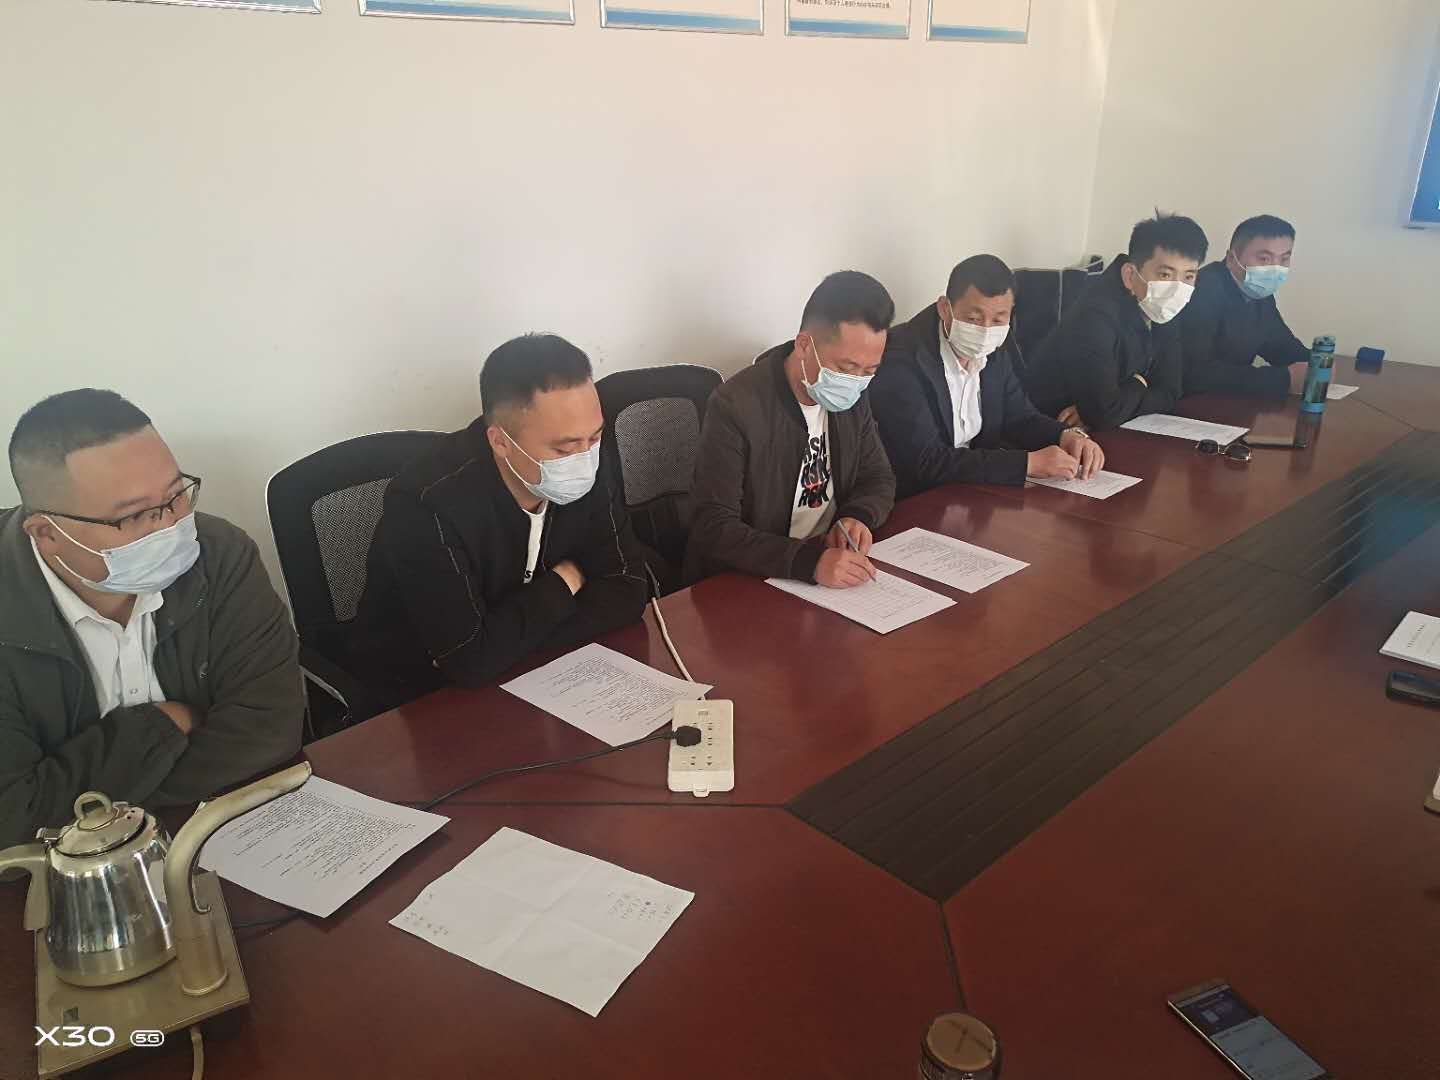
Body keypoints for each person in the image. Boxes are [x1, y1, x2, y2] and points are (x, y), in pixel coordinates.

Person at [0, 390, 303, 844]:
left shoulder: (219, 553)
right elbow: (12, 819)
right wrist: (165, 725)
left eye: (177, 495)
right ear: (47, 534)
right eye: (135, 516)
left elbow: (269, 729)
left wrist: (84, 801)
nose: (169, 526)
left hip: (225, 837)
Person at [355, 334, 649, 696]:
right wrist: (567, 581)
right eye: (564, 448)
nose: (584, 457)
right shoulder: (425, 504)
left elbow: (627, 590)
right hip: (417, 696)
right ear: (500, 442)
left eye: (594, 437)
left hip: (539, 676)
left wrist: (506, 638)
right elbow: (469, 660)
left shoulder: (590, 457)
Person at [685, 271, 896, 589]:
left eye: (869, 370)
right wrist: (808, 562)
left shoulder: (854, 394)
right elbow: (713, 525)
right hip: (754, 576)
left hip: (831, 562)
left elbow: (878, 477)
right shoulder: (736, 405)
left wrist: (857, 515)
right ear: (804, 346)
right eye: (846, 367)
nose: (856, 382)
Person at [870, 254, 1105, 496]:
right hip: (919, 498)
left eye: (998, 319)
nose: (985, 331)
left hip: (973, 491)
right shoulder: (901, 359)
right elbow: (925, 461)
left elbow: (1019, 417)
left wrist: (1066, 436)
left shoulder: (994, 347)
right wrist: (1027, 464)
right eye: (973, 319)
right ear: (945, 308)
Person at [1024, 213, 1209, 431]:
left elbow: (1171, 391)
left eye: (1188, 277)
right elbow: (1104, 413)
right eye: (1165, 275)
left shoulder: (1163, 307)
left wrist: (1117, 401)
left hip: (1104, 428)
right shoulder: (1095, 314)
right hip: (1046, 428)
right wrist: (1140, 382)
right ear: (1130, 275)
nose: (1177, 289)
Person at [1178, 214, 1308, 398]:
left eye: (1284, 259)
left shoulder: (1259, 292)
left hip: (1229, 402)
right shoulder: (1202, 290)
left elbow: (1279, 345)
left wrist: (1316, 363)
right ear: (1232, 258)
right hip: (1190, 403)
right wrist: (1284, 379)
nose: (1275, 268)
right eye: (1264, 259)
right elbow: (1195, 373)